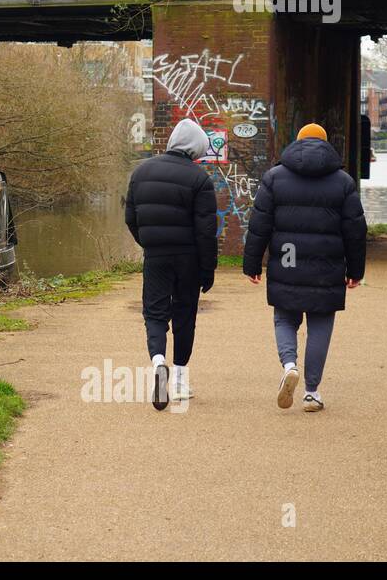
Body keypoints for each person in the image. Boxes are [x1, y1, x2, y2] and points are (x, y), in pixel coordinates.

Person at [242, 123, 367, 412]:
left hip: (287, 260)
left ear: (296, 143)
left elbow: (259, 224)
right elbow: (355, 230)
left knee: (285, 318)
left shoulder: (274, 177)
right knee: (320, 324)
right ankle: (311, 392)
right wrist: (355, 270)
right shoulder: (343, 182)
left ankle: (289, 365)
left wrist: (252, 263)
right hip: (327, 264)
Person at [124, 118, 218, 410]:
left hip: (156, 256)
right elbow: (205, 230)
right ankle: (178, 379)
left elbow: (131, 218)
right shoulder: (199, 179)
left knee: (154, 312)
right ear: (195, 149)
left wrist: (149, 242)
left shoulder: (141, 172)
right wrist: (208, 268)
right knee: (184, 314)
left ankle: (158, 361)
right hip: (188, 257)